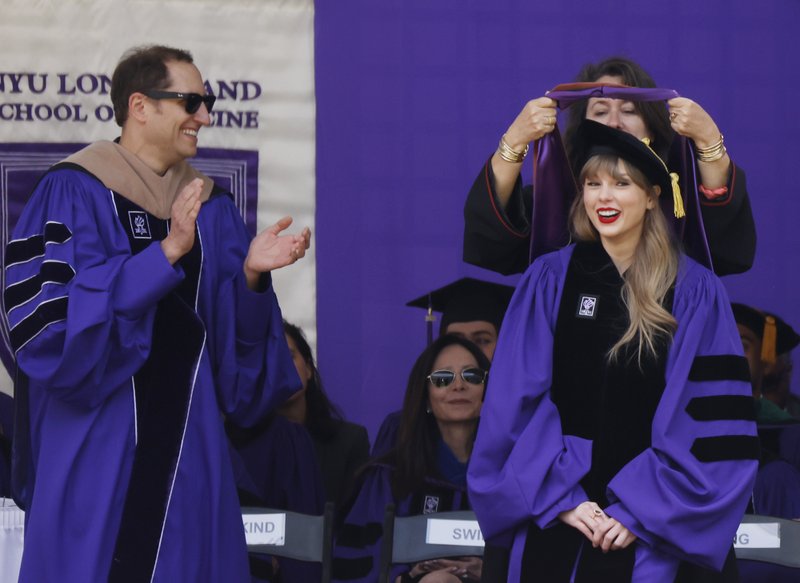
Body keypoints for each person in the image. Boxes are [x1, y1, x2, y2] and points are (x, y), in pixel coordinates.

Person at [3, 45, 310, 582]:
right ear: (140, 105)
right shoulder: (73, 190)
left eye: (207, 102)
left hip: (189, 457)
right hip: (96, 447)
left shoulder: (208, 208)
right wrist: (164, 255)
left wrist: (252, 279)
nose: (205, 116)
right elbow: (52, 335)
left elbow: (237, 377)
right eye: (190, 100)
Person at [468, 119, 759, 581]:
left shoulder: (693, 291)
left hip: (655, 527)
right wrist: (559, 498)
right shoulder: (549, 280)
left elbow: (708, 422)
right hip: (558, 510)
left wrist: (642, 510)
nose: (604, 197)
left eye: (622, 183)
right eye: (592, 183)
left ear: (652, 196)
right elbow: (514, 403)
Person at [463, 56, 755, 277]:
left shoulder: (675, 204)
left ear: (652, 128)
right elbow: (491, 249)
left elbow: (727, 252)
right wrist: (514, 141)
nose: (614, 122)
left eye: (629, 110)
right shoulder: (556, 205)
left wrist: (710, 142)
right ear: (583, 128)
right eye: (600, 111)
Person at [333, 335, 490, 583]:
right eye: (442, 379)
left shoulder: (509, 476)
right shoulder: (390, 477)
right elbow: (359, 560)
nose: (458, 386)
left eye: (471, 376)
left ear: (487, 391)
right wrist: (403, 577)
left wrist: (492, 569)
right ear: (426, 398)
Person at [372, 278, 514, 457]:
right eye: (456, 339)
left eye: (482, 340)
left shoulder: (519, 428)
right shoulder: (400, 430)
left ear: (503, 345)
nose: (466, 349)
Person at [278, 321, 370, 508]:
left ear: (309, 369)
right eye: (269, 359)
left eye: (289, 356)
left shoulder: (350, 442)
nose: (281, 367)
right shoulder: (239, 449)